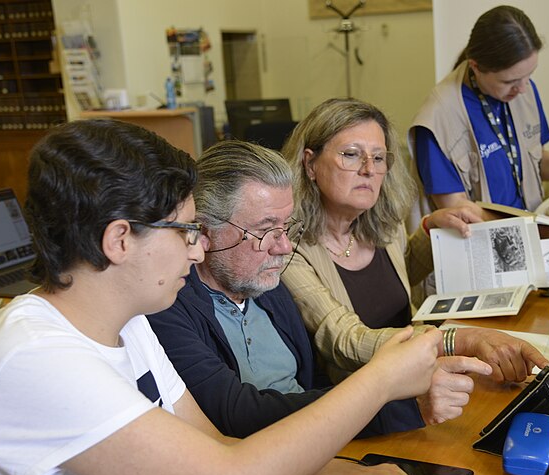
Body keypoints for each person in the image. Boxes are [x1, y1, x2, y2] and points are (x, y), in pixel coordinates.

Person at [0, 119, 445, 475]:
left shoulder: (129, 323)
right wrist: (381, 380)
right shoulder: (35, 356)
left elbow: (216, 442)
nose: (199, 249)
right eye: (185, 231)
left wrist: (318, 471)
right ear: (120, 240)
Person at [147, 140, 492, 442]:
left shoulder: (265, 283)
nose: (283, 247)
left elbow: (312, 382)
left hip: (318, 450)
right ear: (204, 232)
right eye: (266, 230)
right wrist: (398, 403)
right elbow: (238, 414)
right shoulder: (168, 304)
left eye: (286, 227)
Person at [281, 97, 549, 385]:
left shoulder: (383, 223)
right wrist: (454, 340)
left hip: (416, 377)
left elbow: (394, 280)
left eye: (379, 157)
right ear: (310, 164)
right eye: (351, 154)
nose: (369, 169)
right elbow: (345, 340)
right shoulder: (286, 246)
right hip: (356, 399)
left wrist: (432, 231)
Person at [409, 5, 549, 212]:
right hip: (483, 236)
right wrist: (518, 226)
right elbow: (455, 208)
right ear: (476, 66)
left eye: (529, 75)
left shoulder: (523, 89)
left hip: (530, 227)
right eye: (509, 81)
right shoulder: (437, 119)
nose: (522, 89)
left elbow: (533, 162)